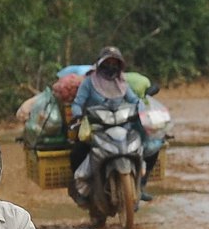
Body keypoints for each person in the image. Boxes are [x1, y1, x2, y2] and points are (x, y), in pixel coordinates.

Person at [69, 45, 161, 202]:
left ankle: (140, 185)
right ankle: (81, 189)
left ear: (119, 65)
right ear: (100, 63)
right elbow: (77, 103)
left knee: (153, 144)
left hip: (123, 126)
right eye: (108, 62)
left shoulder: (122, 83)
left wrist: (144, 110)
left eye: (114, 63)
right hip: (97, 127)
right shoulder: (89, 83)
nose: (111, 66)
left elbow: (133, 100)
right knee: (77, 151)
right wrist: (78, 114)